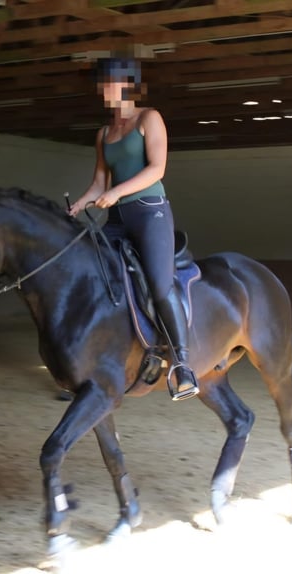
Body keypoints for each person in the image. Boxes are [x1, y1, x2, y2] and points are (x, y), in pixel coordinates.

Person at [67, 57, 199, 401]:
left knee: (158, 283)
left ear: (128, 84)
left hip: (149, 213)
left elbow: (157, 168)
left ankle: (182, 364)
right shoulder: (103, 133)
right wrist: (80, 203)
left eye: (110, 82)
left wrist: (117, 192)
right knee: (93, 275)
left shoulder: (148, 118)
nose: (105, 89)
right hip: (117, 219)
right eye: (102, 83)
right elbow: (99, 182)